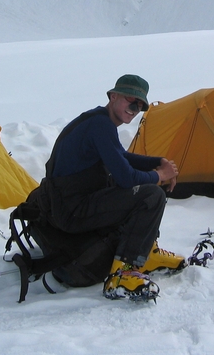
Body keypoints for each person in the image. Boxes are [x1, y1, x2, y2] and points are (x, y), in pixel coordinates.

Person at [37, 74, 185, 301]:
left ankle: (145, 251)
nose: (134, 108)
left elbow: (121, 157)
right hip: (72, 211)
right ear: (113, 96)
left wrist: (157, 162)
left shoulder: (98, 121)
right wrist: (159, 175)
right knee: (150, 194)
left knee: (143, 185)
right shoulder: (100, 125)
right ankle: (123, 273)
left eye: (140, 106)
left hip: (73, 204)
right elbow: (126, 177)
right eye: (130, 100)